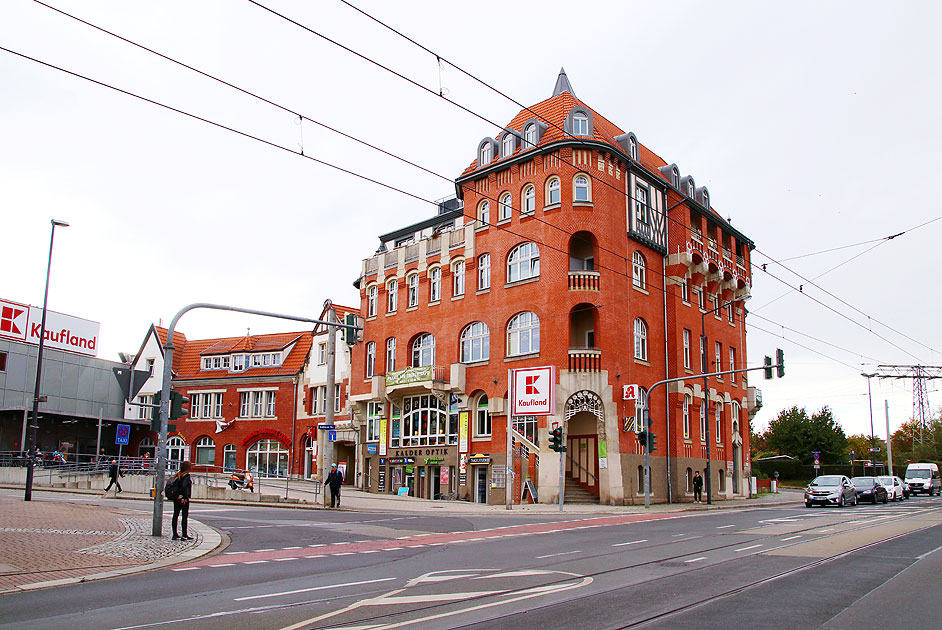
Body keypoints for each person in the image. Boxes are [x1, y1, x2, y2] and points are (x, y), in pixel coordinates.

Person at [171, 461, 193, 541]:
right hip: (183, 498)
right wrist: (184, 497)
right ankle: (184, 534)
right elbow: (184, 486)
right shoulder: (186, 475)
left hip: (176, 498)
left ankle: (175, 534)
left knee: (175, 515)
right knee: (184, 516)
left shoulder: (178, 475)